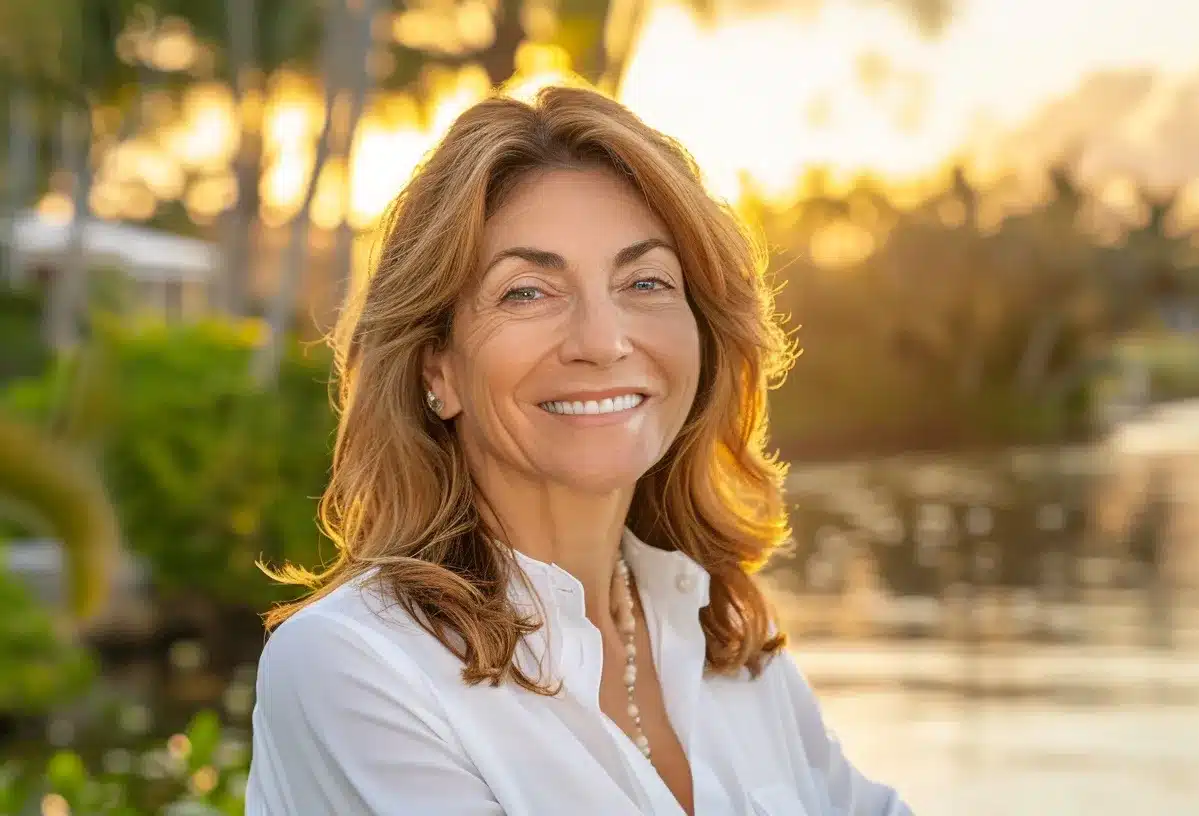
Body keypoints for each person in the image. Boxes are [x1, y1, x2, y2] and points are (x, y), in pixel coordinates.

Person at [244, 86, 911, 816]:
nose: (602, 341)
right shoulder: (356, 668)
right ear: (438, 366)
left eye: (646, 281)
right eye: (527, 292)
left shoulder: (726, 639)